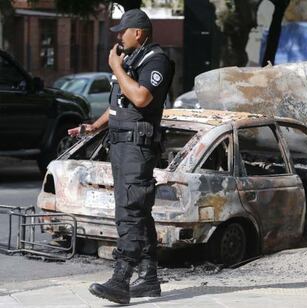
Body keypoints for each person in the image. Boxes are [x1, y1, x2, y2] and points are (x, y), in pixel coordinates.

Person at [68, 8, 174, 305]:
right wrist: (93, 127)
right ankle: (149, 278)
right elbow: (120, 104)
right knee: (137, 210)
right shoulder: (131, 59)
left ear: (138, 33)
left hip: (137, 147)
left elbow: (141, 97)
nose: (118, 36)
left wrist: (116, 66)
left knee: (130, 210)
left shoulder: (156, 61)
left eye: (122, 31)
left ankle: (121, 279)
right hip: (121, 145)